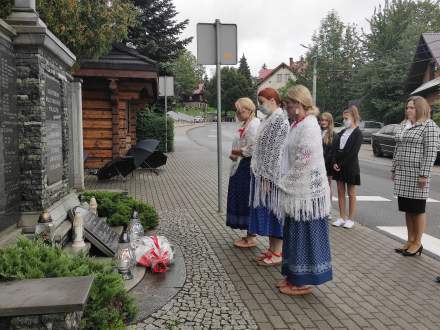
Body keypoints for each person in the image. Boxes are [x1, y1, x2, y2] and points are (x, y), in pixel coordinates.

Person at [275, 85, 332, 295]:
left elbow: (304, 160)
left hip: (307, 193)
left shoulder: (309, 125)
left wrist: (285, 181)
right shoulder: (296, 124)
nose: (286, 107)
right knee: (293, 235)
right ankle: (292, 276)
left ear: (299, 104)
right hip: (296, 191)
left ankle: (303, 281)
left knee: (304, 237)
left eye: (288, 103)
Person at [392, 96, 440, 256]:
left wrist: (424, 174)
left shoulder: (429, 126)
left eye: (411, 108)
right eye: (407, 108)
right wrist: (394, 169)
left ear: (420, 108)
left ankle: (418, 242)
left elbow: (431, 152)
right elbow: (397, 148)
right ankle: (410, 240)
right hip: (403, 173)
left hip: (417, 175)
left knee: (418, 209)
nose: (408, 110)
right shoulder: (403, 125)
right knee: (407, 208)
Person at [249, 87, 289, 266]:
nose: (260, 106)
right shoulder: (269, 119)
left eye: (261, 102)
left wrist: (267, 177)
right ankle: (272, 249)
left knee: (275, 213)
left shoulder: (279, 119)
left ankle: (278, 252)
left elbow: (275, 151)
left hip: (274, 178)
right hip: (265, 176)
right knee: (269, 213)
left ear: (273, 100)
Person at [227, 98, 260, 248]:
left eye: (241, 110)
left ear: (248, 110)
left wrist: (236, 152)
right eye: (238, 110)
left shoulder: (254, 124)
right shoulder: (246, 123)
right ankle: (248, 234)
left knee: (246, 199)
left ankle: (251, 236)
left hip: (248, 167)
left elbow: (253, 148)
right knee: (241, 198)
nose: (238, 113)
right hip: (241, 165)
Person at [332, 106, 362, 229]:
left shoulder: (358, 133)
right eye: (343, 118)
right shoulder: (342, 132)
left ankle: (350, 219)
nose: (344, 121)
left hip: (350, 167)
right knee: (340, 192)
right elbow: (334, 148)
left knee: (351, 193)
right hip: (338, 166)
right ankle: (341, 217)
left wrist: (340, 164)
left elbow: (353, 153)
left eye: (346, 118)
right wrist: (334, 162)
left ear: (354, 117)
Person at [320, 112, 336, 208]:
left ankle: (327, 208)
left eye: (326, 120)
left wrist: (325, 162)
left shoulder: (333, 135)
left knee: (327, 186)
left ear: (330, 122)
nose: (323, 122)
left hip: (327, 165)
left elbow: (332, 152)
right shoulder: (318, 131)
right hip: (317, 164)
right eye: (322, 120)